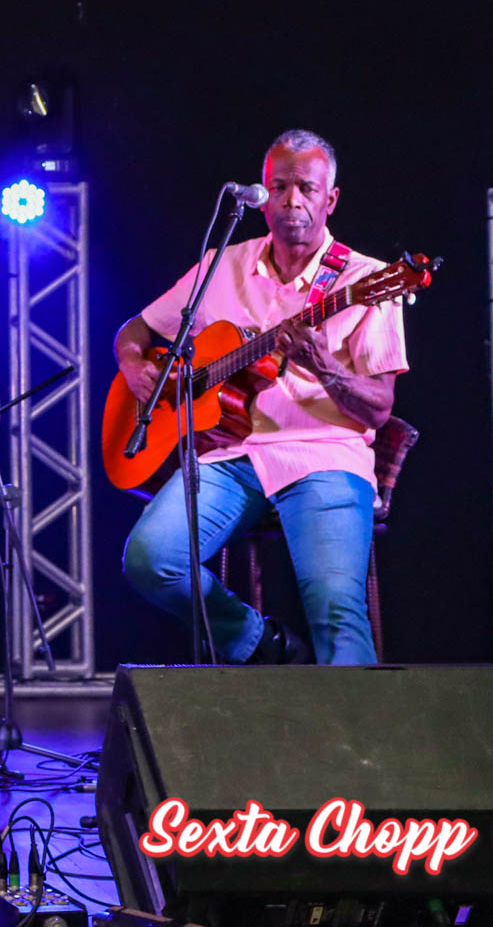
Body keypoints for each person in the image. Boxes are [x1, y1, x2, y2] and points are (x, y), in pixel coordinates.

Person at [117, 130, 408, 666]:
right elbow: (137, 329)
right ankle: (259, 644)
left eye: (306, 188)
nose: (292, 201)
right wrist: (136, 365)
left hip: (323, 456)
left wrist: (324, 366)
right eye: (279, 187)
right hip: (230, 455)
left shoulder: (367, 281)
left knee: (336, 609)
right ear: (262, 195)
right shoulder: (220, 266)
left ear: (330, 199)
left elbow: (379, 406)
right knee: (150, 560)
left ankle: (359, 721)